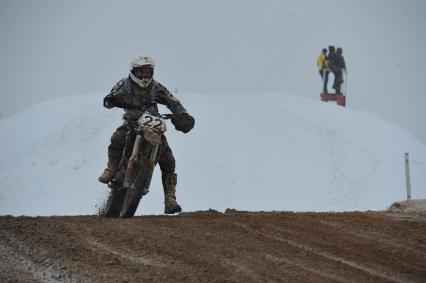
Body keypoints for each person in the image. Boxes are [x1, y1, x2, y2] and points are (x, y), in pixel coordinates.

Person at [98, 56, 195, 214]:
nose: (144, 75)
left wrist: (183, 115)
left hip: (153, 125)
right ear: (133, 71)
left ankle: (170, 198)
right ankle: (111, 169)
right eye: (141, 71)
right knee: (117, 138)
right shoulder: (124, 83)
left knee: (168, 159)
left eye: (147, 71)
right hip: (132, 121)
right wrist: (112, 100)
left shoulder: (156, 86)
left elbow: (172, 101)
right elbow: (109, 98)